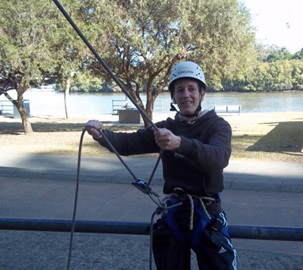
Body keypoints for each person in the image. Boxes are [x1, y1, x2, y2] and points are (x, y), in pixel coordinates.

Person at [85, 61, 237, 270]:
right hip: (174, 212)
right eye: (179, 90)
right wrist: (101, 135)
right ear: (173, 96)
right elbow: (128, 143)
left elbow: (219, 157)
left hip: (207, 213)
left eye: (192, 89)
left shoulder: (217, 125)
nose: (186, 95)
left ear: (202, 94)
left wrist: (181, 144)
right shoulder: (165, 128)